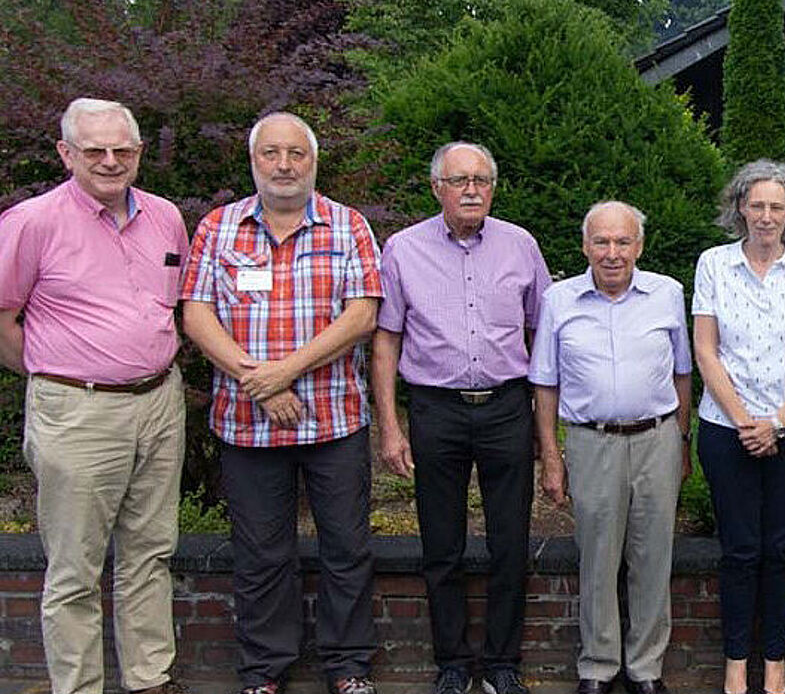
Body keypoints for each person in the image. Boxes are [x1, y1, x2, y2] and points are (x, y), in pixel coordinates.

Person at [180, 112, 382, 694]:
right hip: (247, 425)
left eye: (296, 153)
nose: (285, 164)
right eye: (272, 153)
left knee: (346, 547)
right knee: (262, 553)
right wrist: (258, 382)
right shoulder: (217, 228)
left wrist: (286, 372)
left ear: (313, 162)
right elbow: (196, 313)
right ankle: (265, 671)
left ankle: (348, 667)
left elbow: (362, 315)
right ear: (254, 161)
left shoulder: (349, 227)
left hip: (334, 420)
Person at [0, 98, 188, 694]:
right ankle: (78, 687)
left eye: (123, 150)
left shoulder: (165, 217)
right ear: (66, 153)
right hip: (77, 412)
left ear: (137, 152)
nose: (111, 161)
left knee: (151, 554)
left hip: (160, 402)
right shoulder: (32, 222)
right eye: (95, 150)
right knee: (75, 568)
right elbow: (3, 318)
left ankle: (148, 680)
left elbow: (173, 305)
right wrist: (53, 377)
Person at [370, 142, 551, 694]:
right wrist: (391, 426)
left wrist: (548, 431)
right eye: (459, 180)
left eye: (481, 179)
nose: (471, 189)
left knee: (510, 543)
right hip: (436, 410)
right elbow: (386, 341)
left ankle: (502, 663)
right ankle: (452, 662)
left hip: (505, 408)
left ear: (493, 188)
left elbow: (545, 332)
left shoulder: (521, 245)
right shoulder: (402, 249)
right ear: (436, 188)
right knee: (441, 545)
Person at [530, 201, 692, 694]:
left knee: (652, 555)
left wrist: (682, 443)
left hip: (657, 439)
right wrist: (551, 457)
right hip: (591, 441)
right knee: (597, 556)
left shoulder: (667, 294)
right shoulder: (559, 299)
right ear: (585, 246)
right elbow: (544, 383)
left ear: (639, 247)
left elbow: (683, 373)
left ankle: (645, 668)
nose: (612, 252)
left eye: (623, 242)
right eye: (601, 241)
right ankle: (597, 666)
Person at [692, 160, 785, 694]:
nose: (767, 216)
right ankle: (734, 662)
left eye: (777, 206)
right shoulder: (713, 264)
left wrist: (778, 421)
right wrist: (747, 420)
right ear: (740, 208)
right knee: (740, 549)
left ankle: (774, 663)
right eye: (757, 205)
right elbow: (706, 349)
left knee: (782, 549)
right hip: (727, 429)